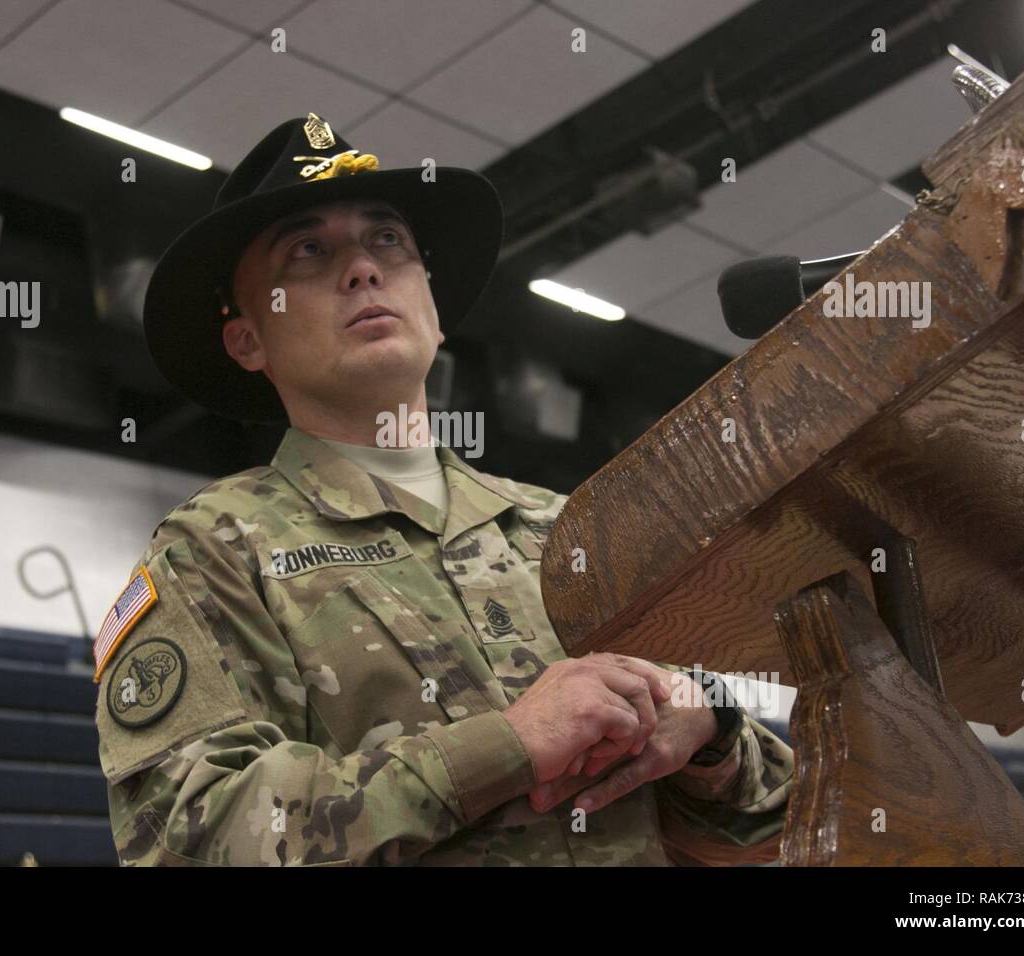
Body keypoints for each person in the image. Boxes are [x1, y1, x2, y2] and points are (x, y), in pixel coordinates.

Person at [92, 112, 794, 866]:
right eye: (308, 251)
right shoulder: (213, 552)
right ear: (248, 340)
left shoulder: (574, 528)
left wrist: (711, 729)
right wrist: (507, 746)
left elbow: (783, 816)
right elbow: (186, 839)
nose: (363, 269)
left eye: (388, 240)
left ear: (433, 305)